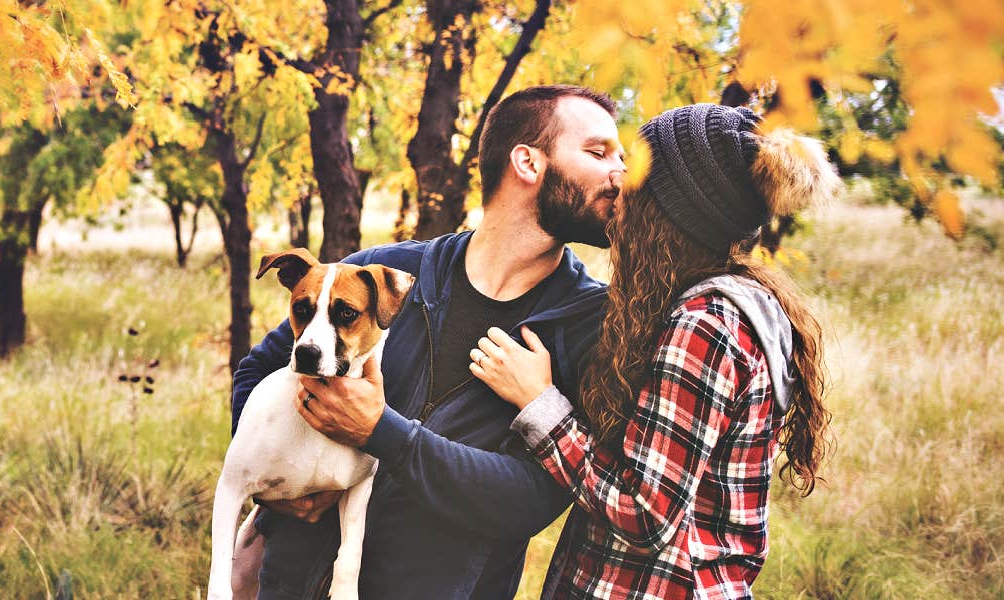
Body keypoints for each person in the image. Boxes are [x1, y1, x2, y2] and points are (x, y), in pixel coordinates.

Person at [229, 84, 626, 599]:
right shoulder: (386, 275)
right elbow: (256, 372)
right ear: (527, 162)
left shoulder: (592, 323)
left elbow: (532, 499)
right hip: (295, 586)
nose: (620, 173)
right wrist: (277, 483)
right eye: (599, 152)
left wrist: (382, 432)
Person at [470, 103, 837, 599]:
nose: (617, 182)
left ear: (669, 206)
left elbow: (645, 513)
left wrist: (539, 404)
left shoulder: (706, 327)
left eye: (634, 171)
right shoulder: (716, 305)